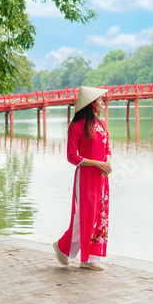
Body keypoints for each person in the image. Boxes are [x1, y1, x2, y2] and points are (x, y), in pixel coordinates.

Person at [53, 86, 112, 271]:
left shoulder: (100, 124)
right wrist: (96, 163)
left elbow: (107, 147)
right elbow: (72, 156)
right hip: (85, 176)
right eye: (101, 101)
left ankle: (92, 256)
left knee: (99, 214)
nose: (103, 103)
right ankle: (65, 247)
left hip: (102, 176)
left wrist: (107, 162)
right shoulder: (77, 127)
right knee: (84, 215)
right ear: (92, 104)